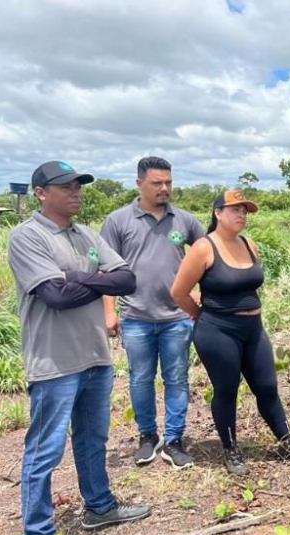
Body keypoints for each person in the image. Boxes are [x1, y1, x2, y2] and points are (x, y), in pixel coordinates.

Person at [8, 161, 151, 535]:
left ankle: (100, 506)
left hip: (94, 355)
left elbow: (127, 280)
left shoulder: (86, 234)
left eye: (77, 185)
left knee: (93, 439)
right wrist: (87, 279)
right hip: (54, 362)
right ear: (40, 192)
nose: (75, 192)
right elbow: (54, 295)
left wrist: (75, 276)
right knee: (44, 450)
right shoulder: (27, 236)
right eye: (65, 186)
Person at [171, 190, 290, 476]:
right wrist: (203, 316)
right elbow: (179, 292)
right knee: (227, 389)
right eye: (234, 209)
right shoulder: (203, 248)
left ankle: (286, 441)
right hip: (218, 330)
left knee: (268, 387)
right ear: (218, 213)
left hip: (253, 328)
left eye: (244, 211)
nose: (241, 215)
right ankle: (231, 448)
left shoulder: (249, 244)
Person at [101, 157, 205, 469]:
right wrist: (109, 312)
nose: (164, 188)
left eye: (168, 183)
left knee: (177, 378)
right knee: (140, 378)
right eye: (157, 183)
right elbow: (105, 272)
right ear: (139, 183)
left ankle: (174, 439)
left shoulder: (184, 220)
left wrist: (199, 292)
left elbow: (210, 256)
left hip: (176, 317)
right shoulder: (118, 221)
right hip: (135, 316)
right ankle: (148, 436)